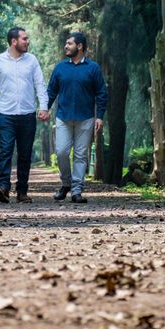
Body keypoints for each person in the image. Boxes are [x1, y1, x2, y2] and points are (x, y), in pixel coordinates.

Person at [0, 27, 49, 203]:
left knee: (24, 154)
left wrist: (43, 107)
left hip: (28, 115)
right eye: (24, 39)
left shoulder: (32, 60)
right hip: (6, 114)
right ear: (14, 41)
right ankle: (3, 187)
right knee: (6, 151)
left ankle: (22, 191)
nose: (27, 42)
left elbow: (40, 85)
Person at [47, 32, 107, 203]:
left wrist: (100, 116)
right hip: (63, 117)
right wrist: (45, 108)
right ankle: (66, 183)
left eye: (69, 43)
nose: (66, 46)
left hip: (86, 118)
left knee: (80, 155)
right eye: (66, 44)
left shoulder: (93, 68)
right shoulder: (60, 68)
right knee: (61, 152)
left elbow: (101, 93)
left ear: (79, 46)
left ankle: (76, 190)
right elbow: (51, 91)